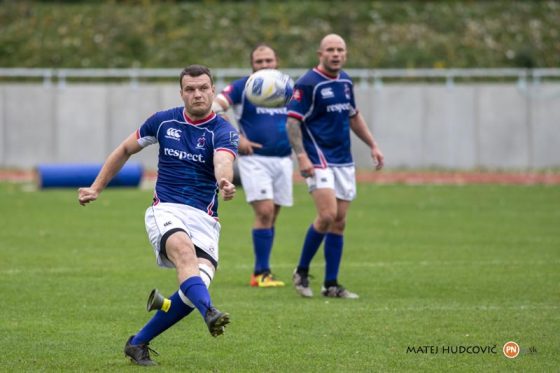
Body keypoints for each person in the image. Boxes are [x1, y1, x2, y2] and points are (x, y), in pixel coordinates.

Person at [78, 65, 239, 366]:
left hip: (205, 219)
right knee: (184, 254)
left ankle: (138, 342)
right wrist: (96, 187)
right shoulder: (164, 121)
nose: (197, 94)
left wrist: (224, 181)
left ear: (212, 90)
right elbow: (125, 149)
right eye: (190, 89)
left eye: (203, 87)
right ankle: (211, 312)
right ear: (181, 93)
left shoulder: (223, 130)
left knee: (193, 289)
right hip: (165, 209)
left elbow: (223, 161)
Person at [286, 34, 384, 299]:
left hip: (343, 159)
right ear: (321, 53)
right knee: (327, 214)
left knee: (339, 222)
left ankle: (331, 284)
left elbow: (353, 116)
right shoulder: (308, 83)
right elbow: (292, 122)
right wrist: (302, 157)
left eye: (340, 49)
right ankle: (302, 271)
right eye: (330, 49)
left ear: (346, 54)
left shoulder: (345, 81)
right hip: (318, 158)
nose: (336, 54)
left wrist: (372, 144)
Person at [213, 44, 292, 288]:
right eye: (259, 61)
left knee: (272, 215)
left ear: (276, 61)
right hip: (255, 159)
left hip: (284, 159)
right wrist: (237, 138)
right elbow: (214, 109)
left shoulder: (288, 87)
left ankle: (264, 271)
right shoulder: (242, 87)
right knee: (265, 211)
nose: (265, 65)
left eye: (269, 60)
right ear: (252, 65)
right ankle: (259, 273)